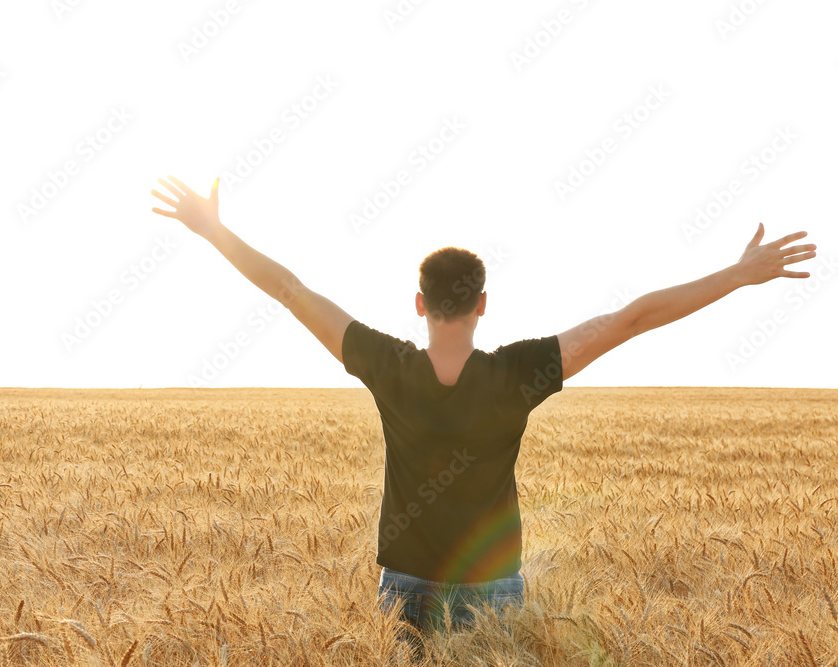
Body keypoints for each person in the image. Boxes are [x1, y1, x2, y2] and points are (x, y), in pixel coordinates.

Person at [150, 174, 817, 660]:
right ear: (483, 304)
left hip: (405, 582)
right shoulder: (515, 374)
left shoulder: (388, 366)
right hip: (493, 589)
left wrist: (213, 230)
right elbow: (630, 318)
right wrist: (736, 275)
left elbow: (291, 290)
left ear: (419, 302)